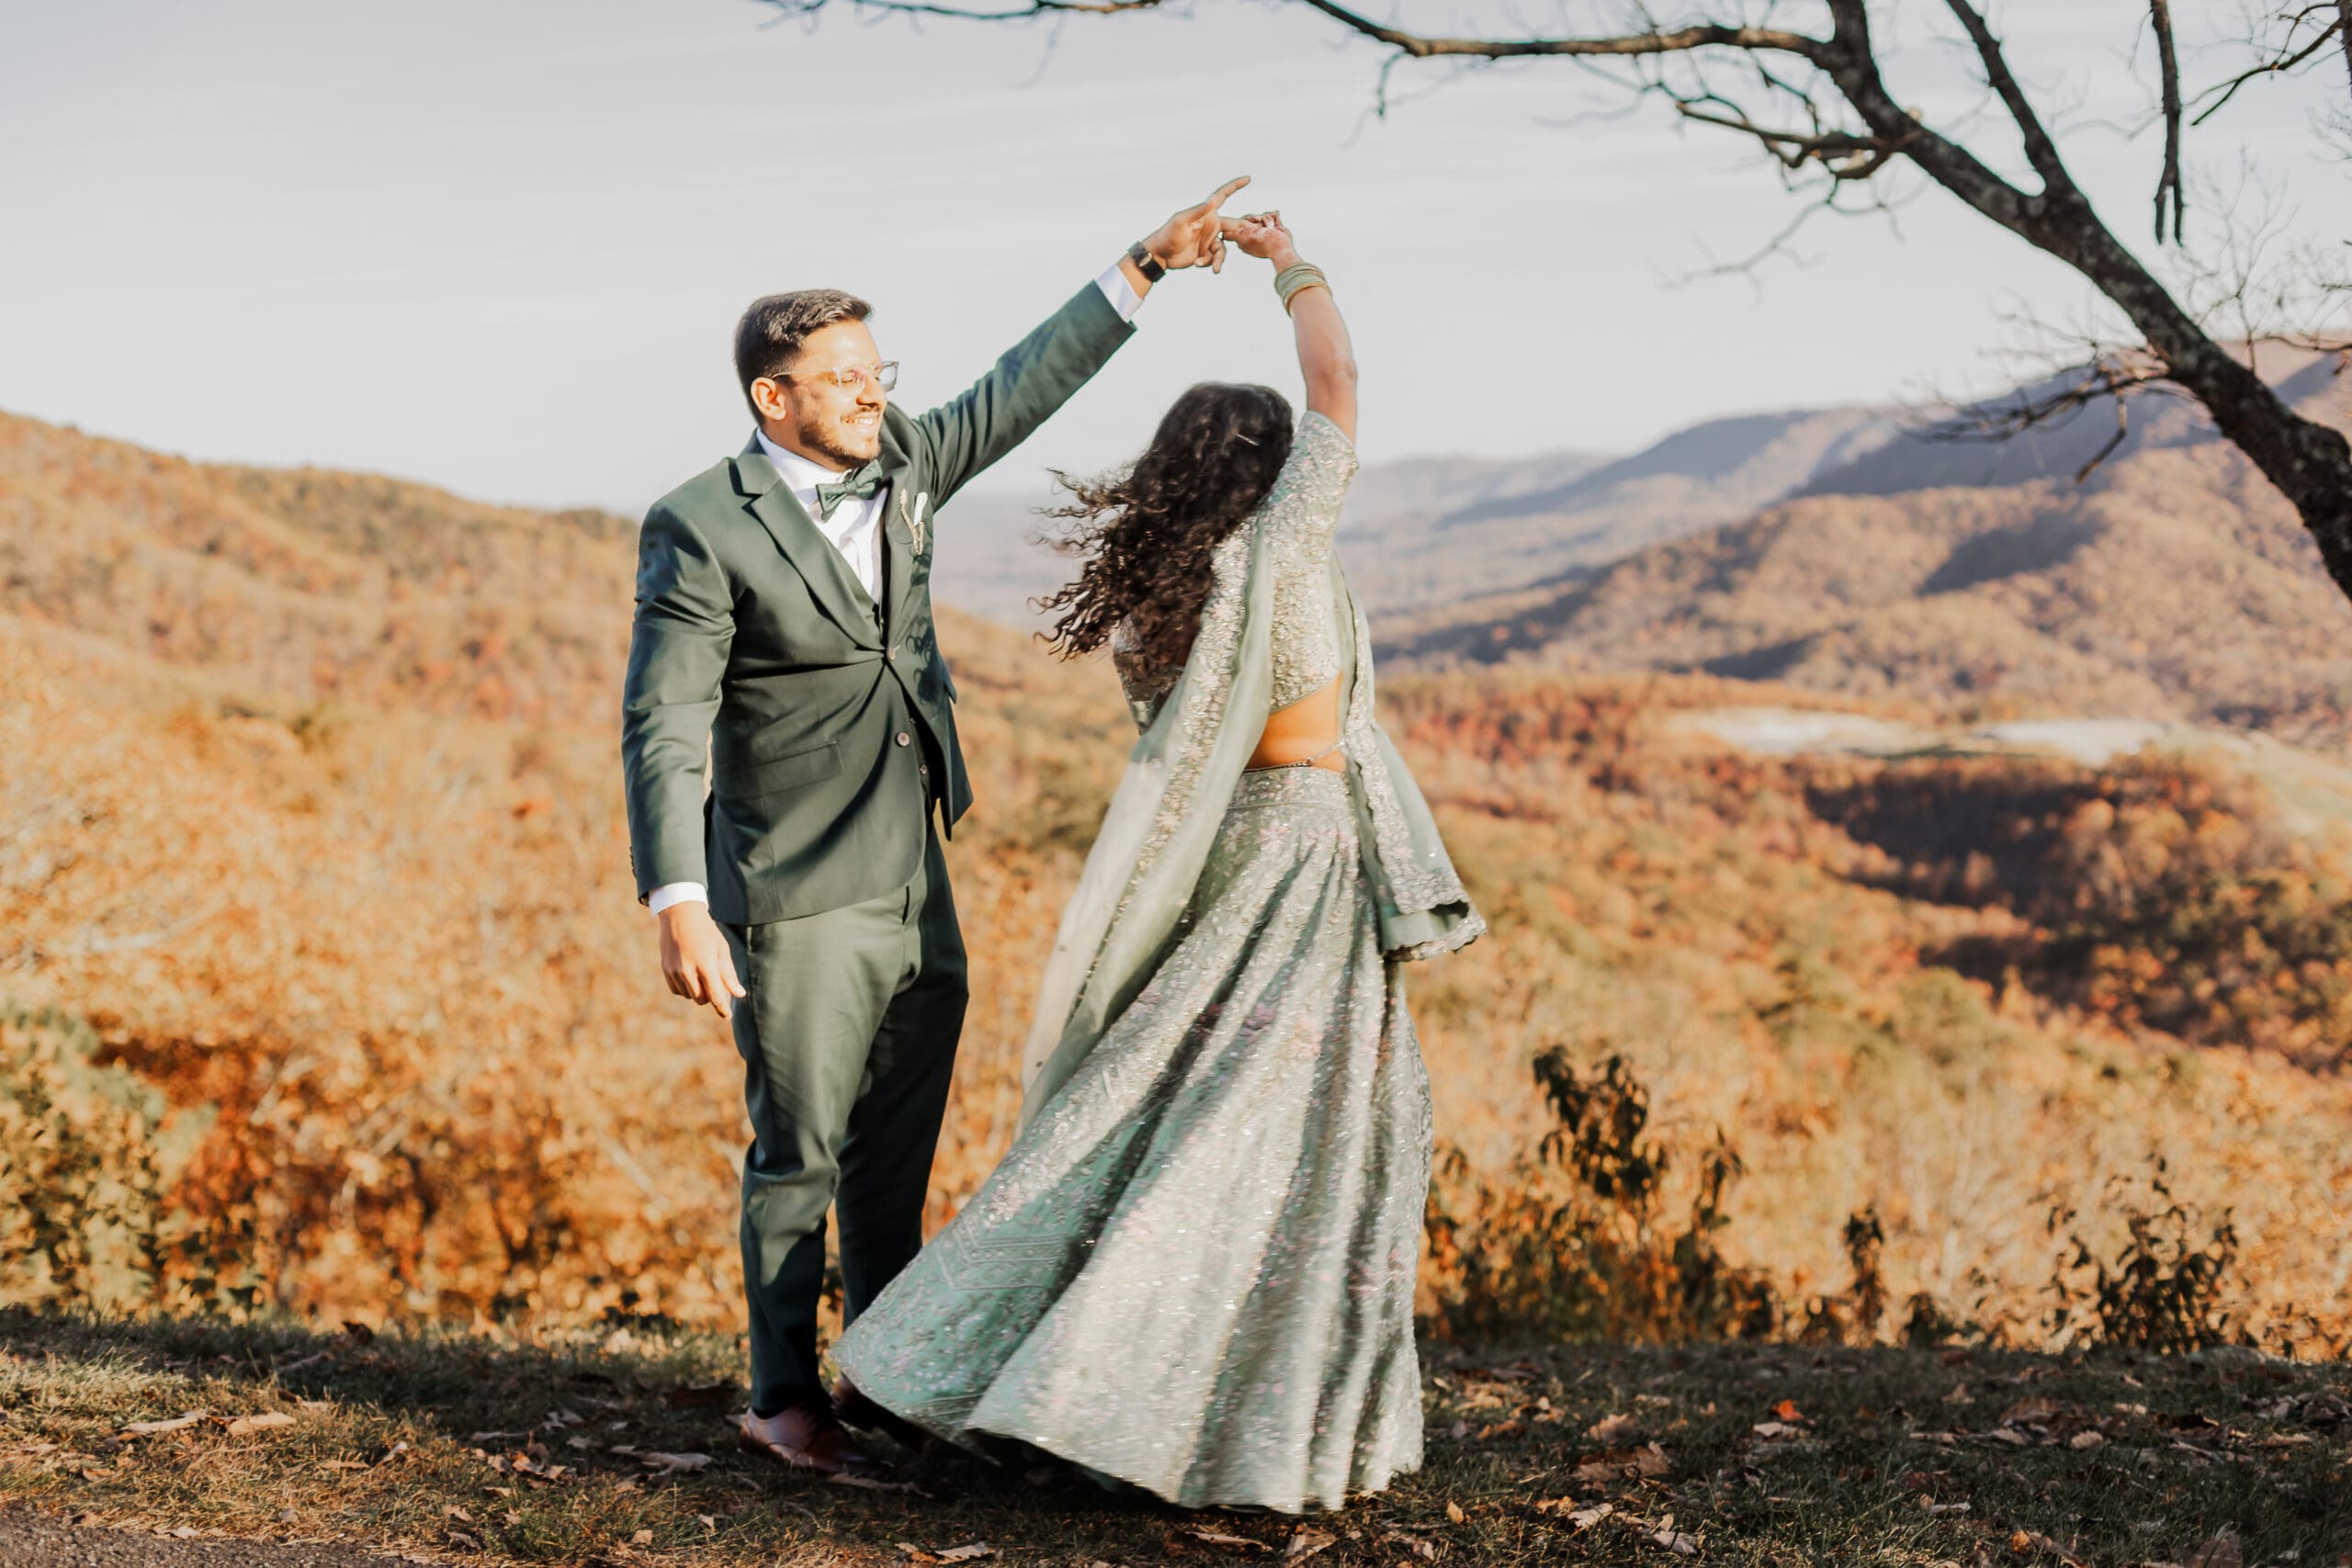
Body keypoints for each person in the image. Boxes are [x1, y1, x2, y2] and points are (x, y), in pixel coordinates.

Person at [828, 210, 1485, 1513]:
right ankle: (1169, 1409)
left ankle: (1025, 1370)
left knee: (1151, 1107)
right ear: (1274, 469)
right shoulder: (1286, 545)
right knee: (1282, 1138)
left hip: (1219, 863)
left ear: (1173, 471)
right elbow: (1340, 380)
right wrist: (1293, 264)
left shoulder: (1152, 606)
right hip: (1305, 859)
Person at [619, 178, 1253, 1479]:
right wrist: (675, 895)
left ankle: (892, 1377)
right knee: (797, 1153)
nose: (872, 393)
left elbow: (1019, 390)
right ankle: (782, 1396)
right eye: (843, 377)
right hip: (794, 894)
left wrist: (1144, 264)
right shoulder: (699, 525)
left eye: (876, 368)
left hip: (918, 873)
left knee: (895, 1155)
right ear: (771, 399)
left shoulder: (905, 460)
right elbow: (663, 721)